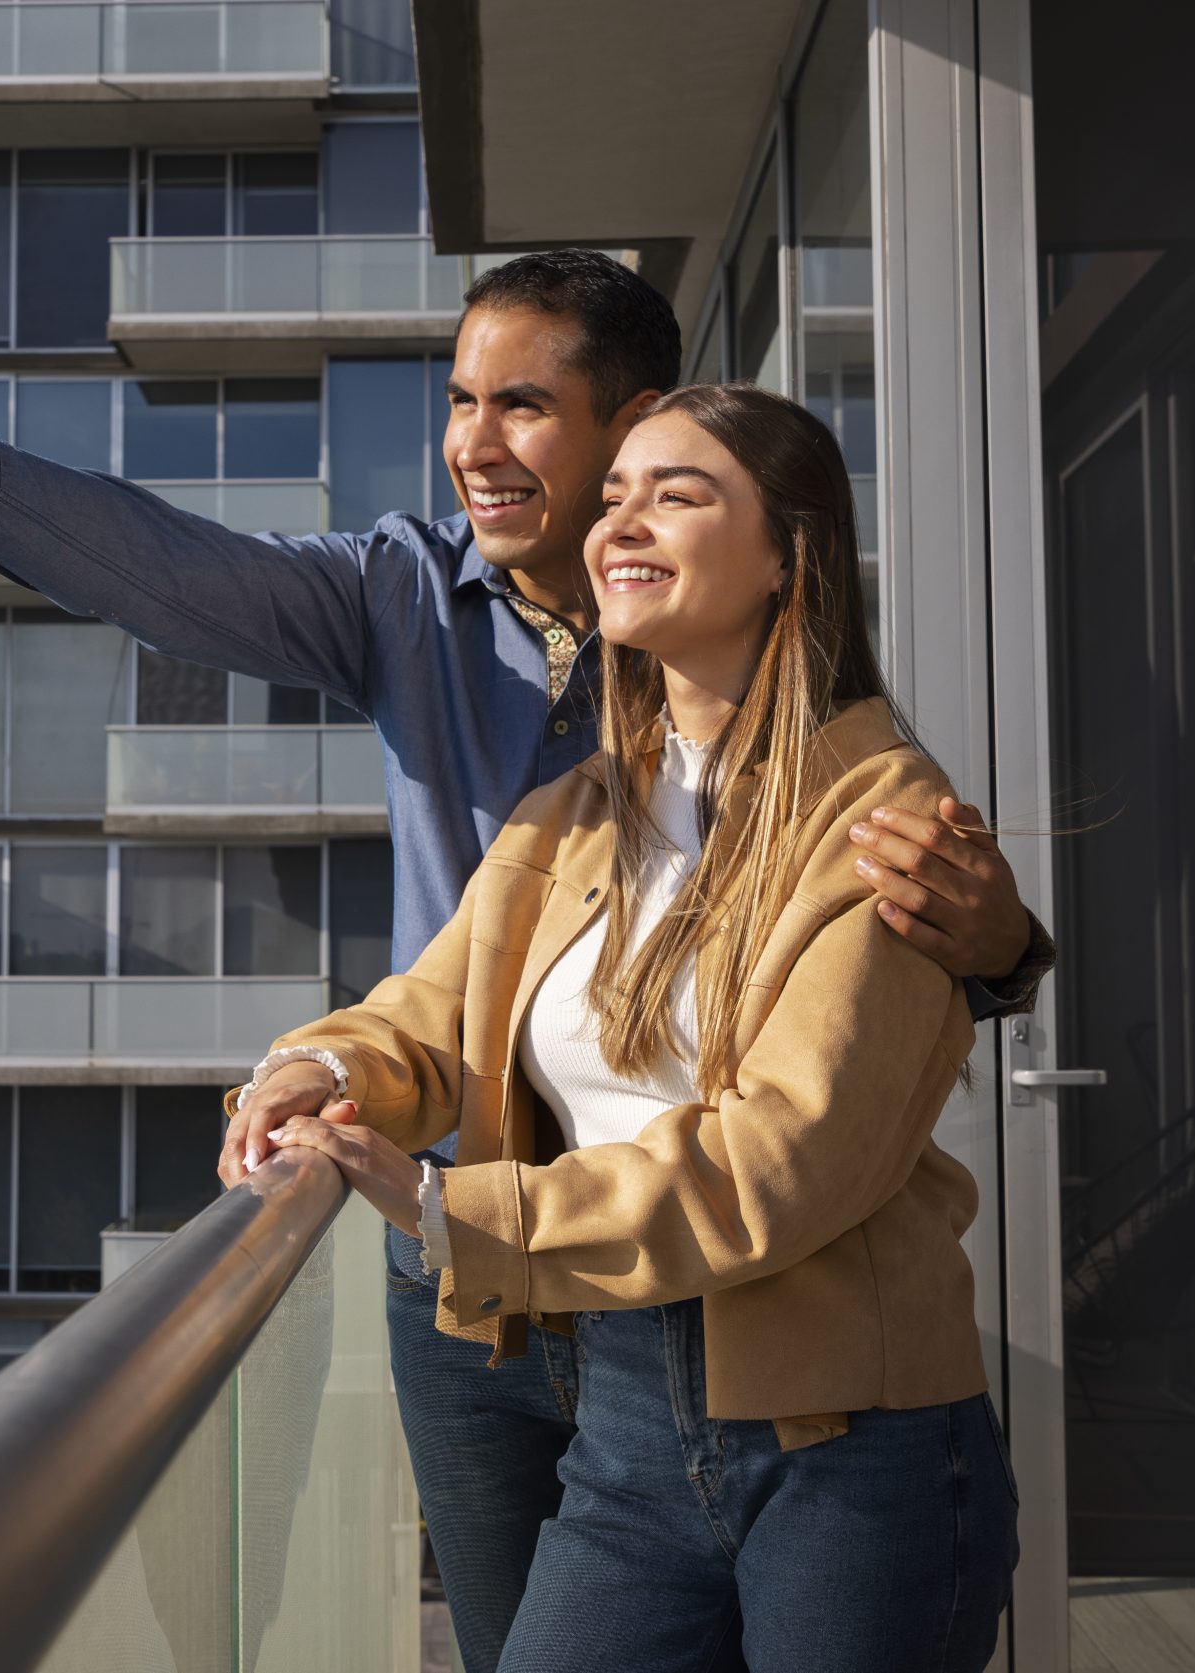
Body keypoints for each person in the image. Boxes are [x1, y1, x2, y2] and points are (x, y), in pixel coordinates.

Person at [0, 252, 1048, 1672]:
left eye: (524, 406)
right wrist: (323, 1064)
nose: (473, 443)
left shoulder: (836, 780)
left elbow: (818, 1075)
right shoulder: (461, 659)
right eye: (459, 401)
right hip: (488, 1291)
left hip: (774, 1342)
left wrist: (1000, 949)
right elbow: (163, 579)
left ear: (647, 434)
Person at [238, 383, 1018, 1670]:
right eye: (613, 497)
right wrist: (318, 1066)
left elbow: (781, 1159)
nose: (618, 524)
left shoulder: (884, 820)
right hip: (628, 1419)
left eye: (677, 494)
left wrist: (453, 1210)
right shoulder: (577, 810)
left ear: (787, 554)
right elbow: (432, 1014)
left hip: (852, 1446)